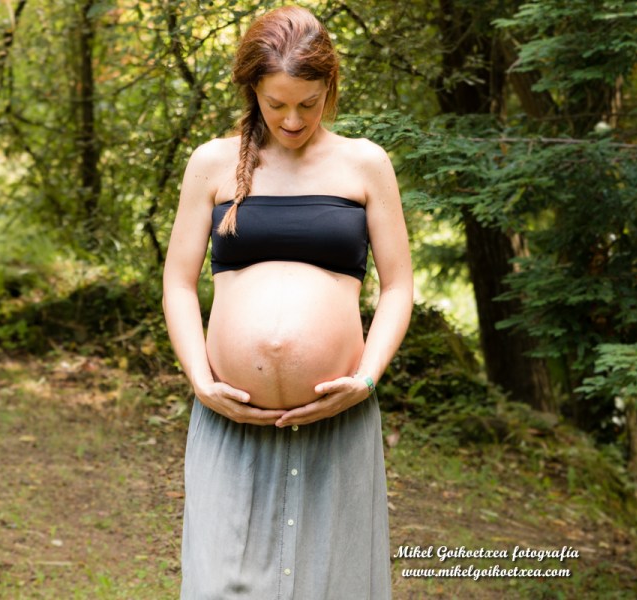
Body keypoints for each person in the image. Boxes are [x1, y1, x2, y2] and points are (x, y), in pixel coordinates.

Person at [162, 5, 413, 600]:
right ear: (252, 89)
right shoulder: (213, 163)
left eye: (308, 102)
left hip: (338, 422)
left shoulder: (365, 163)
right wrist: (199, 378)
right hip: (231, 420)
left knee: (334, 583)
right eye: (276, 104)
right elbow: (177, 282)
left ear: (330, 86)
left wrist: (368, 379)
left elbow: (398, 286)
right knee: (222, 583)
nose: (293, 120)